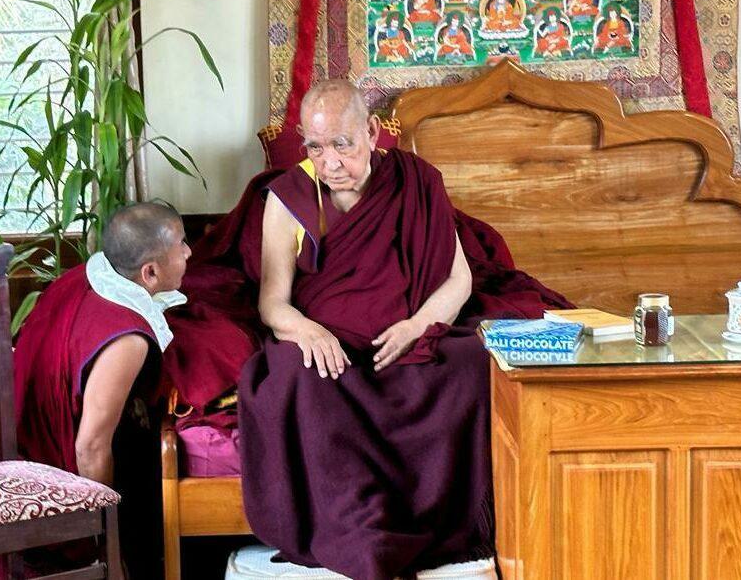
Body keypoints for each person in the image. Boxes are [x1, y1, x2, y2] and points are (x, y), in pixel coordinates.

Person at [237, 80, 570, 579]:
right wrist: (305, 330)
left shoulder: (418, 182)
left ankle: (449, 524)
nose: (329, 163)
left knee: (477, 363)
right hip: (332, 350)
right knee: (288, 372)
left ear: (372, 132)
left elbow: (459, 279)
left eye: (342, 145)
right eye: (315, 146)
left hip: (408, 339)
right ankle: (355, 529)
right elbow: (272, 303)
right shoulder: (287, 199)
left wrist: (418, 325)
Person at [14, 202, 191, 579]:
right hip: (44, 467)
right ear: (150, 272)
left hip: (13, 423)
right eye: (182, 244)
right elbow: (90, 447)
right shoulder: (127, 338)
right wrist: (106, 546)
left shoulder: (86, 274)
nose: (189, 252)